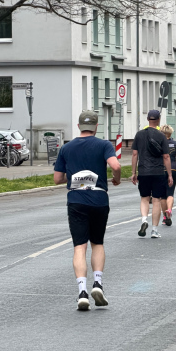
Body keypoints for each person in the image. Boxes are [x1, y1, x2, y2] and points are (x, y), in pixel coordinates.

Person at [54, 110, 122, 311]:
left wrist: (74, 177)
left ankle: (82, 292)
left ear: (78, 126)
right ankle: (98, 284)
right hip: (99, 199)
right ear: (96, 127)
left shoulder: (66, 148)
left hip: (76, 200)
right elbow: (116, 166)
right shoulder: (104, 145)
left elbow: (57, 179)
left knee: (79, 246)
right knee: (97, 243)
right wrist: (116, 179)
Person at [131, 110, 174, 238]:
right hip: (158, 172)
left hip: (143, 171)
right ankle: (154, 230)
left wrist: (133, 172)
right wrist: (170, 175)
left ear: (147, 119)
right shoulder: (161, 136)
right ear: (159, 120)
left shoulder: (139, 135)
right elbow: (166, 156)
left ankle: (144, 220)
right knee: (156, 200)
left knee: (144, 198)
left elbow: (134, 154)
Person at [159, 124, 176, 226]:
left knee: (162, 195)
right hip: (173, 168)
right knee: (170, 192)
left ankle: (165, 217)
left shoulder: (159, 144)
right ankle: (169, 209)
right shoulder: (175, 144)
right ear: (170, 133)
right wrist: (175, 162)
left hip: (162, 169)